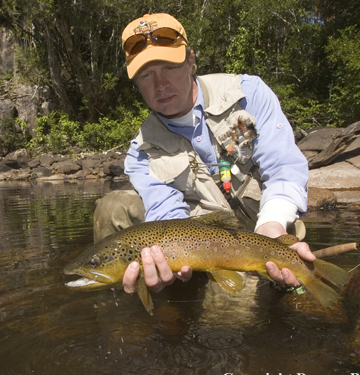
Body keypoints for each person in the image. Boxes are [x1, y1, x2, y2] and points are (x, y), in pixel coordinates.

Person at [93, 13, 315, 300]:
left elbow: (284, 169)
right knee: (113, 207)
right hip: (200, 247)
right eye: (147, 75)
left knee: (259, 312)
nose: (160, 84)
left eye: (170, 67)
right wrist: (167, 264)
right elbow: (167, 218)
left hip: (266, 227)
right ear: (135, 82)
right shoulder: (141, 151)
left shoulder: (247, 95)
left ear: (190, 62)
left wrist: (271, 227)